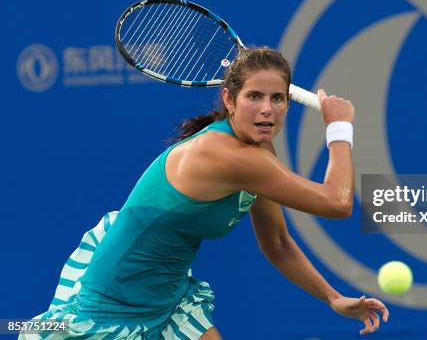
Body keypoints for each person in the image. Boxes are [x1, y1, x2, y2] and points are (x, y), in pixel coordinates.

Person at [21, 47, 389, 339]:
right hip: (112, 299)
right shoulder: (229, 156)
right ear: (229, 99)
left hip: (166, 295)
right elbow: (337, 203)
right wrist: (339, 128)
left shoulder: (260, 156)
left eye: (277, 98)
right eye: (254, 96)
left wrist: (332, 297)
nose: (267, 110)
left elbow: (276, 243)